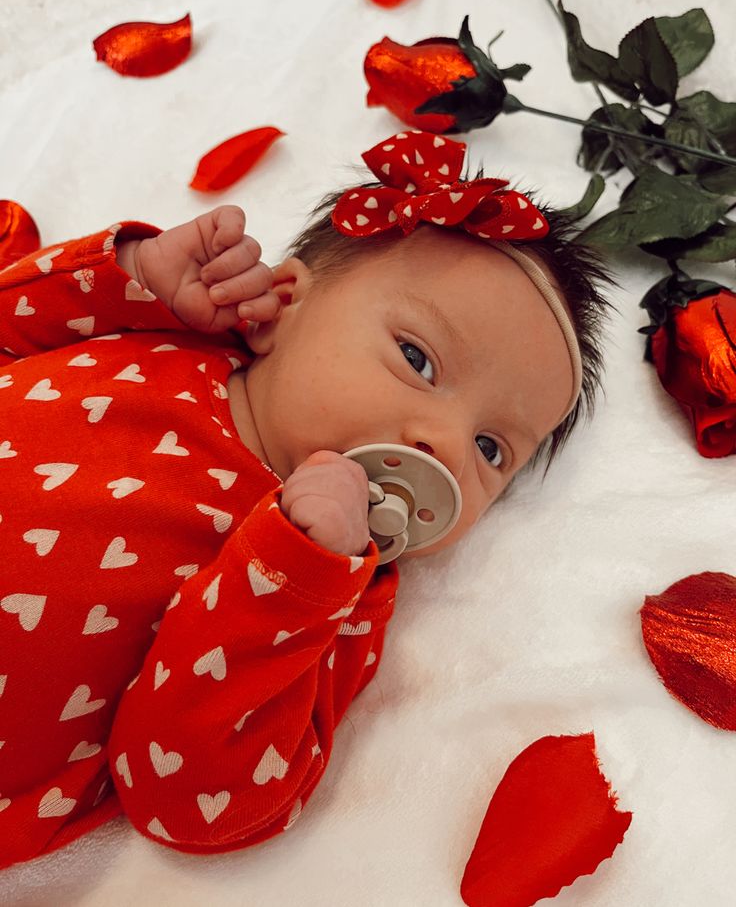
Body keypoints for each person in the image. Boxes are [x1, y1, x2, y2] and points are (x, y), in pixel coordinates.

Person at [0, 131, 615, 868]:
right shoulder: (161, 330)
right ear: (283, 302)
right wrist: (128, 273)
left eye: (492, 449)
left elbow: (191, 799)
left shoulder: (333, 589)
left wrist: (290, 579)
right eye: (417, 359)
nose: (447, 443)